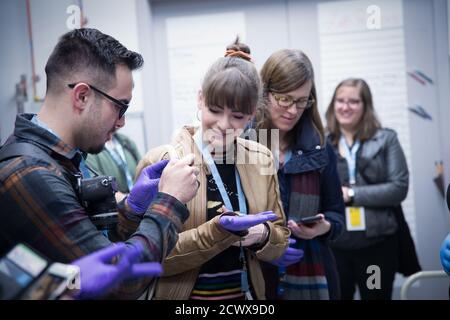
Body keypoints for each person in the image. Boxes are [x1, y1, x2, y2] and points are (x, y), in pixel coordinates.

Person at [0, 28, 199, 299]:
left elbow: (93, 246)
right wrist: (170, 201)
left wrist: (130, 209)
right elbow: (120, 281)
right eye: (121, 107)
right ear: (82, 96)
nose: (122, 122)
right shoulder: (30, 174)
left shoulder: (64, 160)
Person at [135, 39, 290, 300]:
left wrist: (262, 235)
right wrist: (219, 233)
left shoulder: (262, 158)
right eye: (215, 110)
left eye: (238, 116)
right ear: (200, 99)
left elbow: (281, 241)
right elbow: (146, 258)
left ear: (252, 114)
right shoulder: (163, 161)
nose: (223, 124)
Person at [252, 49, 345, 300]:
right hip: (258, 277)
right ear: (264, 94)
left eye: (302, 101)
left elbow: (337, 215)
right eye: (284, 99)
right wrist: (267, 246)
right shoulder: (247, 143)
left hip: (314, 274)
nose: (293, 110)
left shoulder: (319, 146)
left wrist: (323, 227)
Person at [325, 78, 415, 300]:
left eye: (353, 101)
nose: (345, 107)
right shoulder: (322, 142)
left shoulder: (386, 139)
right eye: (340, 100)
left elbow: (399, 188)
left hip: (376, 248)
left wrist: (352, 195)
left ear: (365, 106)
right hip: (336, 245)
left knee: (375, 296)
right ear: (333, 104)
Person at [86, 131, 141, 202]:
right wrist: (133, 202)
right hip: (115, 208)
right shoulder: (90, 147)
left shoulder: (126, 141)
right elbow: (97, 190)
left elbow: (144, 172)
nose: (121, 123)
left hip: (135, 201)